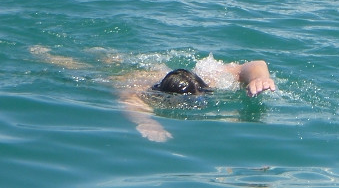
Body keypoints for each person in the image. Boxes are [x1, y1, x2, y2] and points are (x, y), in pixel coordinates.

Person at [30, 47, 276, 143]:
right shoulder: (138, 92)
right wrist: (147, 122)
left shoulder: (207, 79)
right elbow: (131, 105)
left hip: (154, 70)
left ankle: (106, 53)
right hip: (129, 77)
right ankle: (45, 53)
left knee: (113, 58)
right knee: (80, 69)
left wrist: (258, 78)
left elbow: (254, 63)